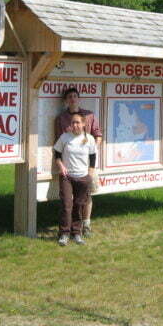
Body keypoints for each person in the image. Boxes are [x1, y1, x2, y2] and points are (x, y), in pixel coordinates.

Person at [54, 87, 102, 234]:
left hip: (87, 164)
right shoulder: (60, 118)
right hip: (68, 166)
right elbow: (57, 142)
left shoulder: (89, 116)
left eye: (75, 96)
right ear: (66, 100)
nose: (73, 99)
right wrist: (60, 163)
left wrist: (89, 151)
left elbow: (98, 135)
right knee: (69, 201)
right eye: (70, 97)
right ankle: (69, 230)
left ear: (78, 98)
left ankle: (86, 224)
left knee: (86, 196)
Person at [52, 113, 97, 246]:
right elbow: (57, 154)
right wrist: (61, 167)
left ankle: (77, 233)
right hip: (67, 177)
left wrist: (90, 174)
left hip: (83, 178)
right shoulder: (64, 137)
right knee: (66, 205)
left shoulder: (89, 139)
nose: (75, 125)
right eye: (73, 123)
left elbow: (93, 158)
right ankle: (64, 234)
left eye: (77, 122)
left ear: (84, 124)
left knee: (78, 205)